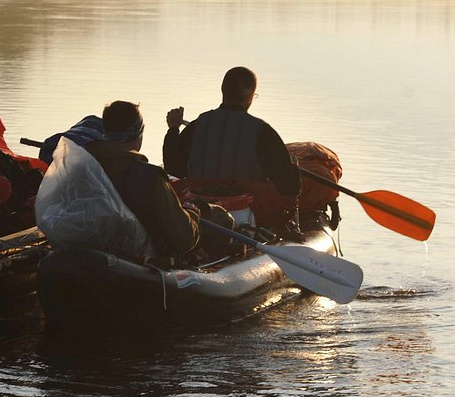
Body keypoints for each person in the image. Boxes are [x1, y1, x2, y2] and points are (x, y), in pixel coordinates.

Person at [83, 101, 204, 262]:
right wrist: (193, 213)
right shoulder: (151, 177)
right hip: (143, 260)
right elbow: (184, 239)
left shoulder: (83, 167)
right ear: (138, 133)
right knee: (219, 217)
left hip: (93, 251)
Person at [163, 66, 301, 198]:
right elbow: (289, 187)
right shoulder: (263, 132)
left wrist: (173, 129)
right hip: (247, 210)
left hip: (200, 205)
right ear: (251, 96)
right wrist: (293, 166)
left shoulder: (197, 126)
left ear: (223, 89)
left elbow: (174, 168)